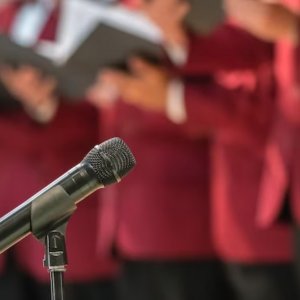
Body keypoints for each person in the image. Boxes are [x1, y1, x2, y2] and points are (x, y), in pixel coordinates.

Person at [87, 0, 298, 299]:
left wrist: (172, 96)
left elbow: (260, 94)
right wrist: (178, 39)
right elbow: (254, 45)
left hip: (239, 214)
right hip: (237, 214)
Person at [0, 1, 118, 299]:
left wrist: (44, 104)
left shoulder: (93, 15)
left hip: (77, 219)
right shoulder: (8, 15)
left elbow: (106, 113)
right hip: (15, 221)